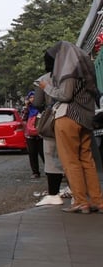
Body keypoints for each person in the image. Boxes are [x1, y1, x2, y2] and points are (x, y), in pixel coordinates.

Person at [39, 41, 102, 212]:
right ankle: (98, 201)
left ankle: (80, 201)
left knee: (70, 161)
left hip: (68, 117)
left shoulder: (68, 71)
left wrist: (47, 88)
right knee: (87, 161)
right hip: (85, 118)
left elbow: (65, 95)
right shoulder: (85, 68)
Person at [31, 72, 65, 207]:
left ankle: (54, 194)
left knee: (51, 156)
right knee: (76, 157)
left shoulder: (45, 79)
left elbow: (38, 103)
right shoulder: (78, 73)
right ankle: (79, 193)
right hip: (80, 118)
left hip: (54, 120)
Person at [20, 91, 43, 178]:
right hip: (29, 135)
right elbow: (23, 118)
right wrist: (26, 106)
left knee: (43, 153)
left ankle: (49, 171)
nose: (32, 99)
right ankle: (35, 172)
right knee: (32, 154)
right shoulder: (27, 109)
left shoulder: (41, 107)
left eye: (34, 97)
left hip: (40, 134)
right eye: (31, 97)